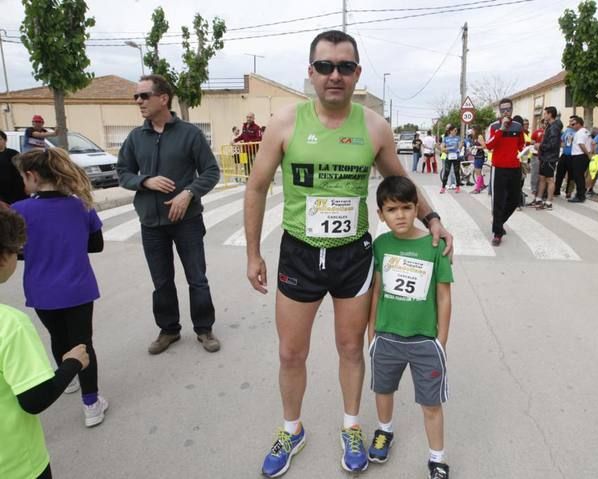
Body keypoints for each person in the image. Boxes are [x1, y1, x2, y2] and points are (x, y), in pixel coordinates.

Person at [243, 30, 452, 477]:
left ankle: (351, 425)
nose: (334, 75)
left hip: (352, 256)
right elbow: (256, 186)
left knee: (351, 347)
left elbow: (403, 182)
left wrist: (432, 219)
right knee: (290, 353)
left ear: (357, 73)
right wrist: (252, 253)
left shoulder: (375, 127)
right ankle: (291, 429)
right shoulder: (284, 123)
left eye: (344, 67)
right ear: (310, 72)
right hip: (299, 252)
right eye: (324, 66)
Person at [117, 74, 221, 354]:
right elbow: (122, 173)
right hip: (151, 223)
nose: (138, 101)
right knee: (161, 281)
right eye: (136, 97)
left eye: (143, 96)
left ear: (163, 98)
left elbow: (211, 171)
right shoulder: (136, 137)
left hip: (187, 221)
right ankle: (168, 329)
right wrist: (145, 181)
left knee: (196, 278)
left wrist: (189, 193)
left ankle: (204, 328)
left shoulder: (190, 134)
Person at [12, 148, 109, 427]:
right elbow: (96, 245)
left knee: (58, 336)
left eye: (22, 177)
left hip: (41, 291)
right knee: (83, 343)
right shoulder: (81, 205)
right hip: (78, 288)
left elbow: (15, 250)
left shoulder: (20, 210)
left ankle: (67, 379)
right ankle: (92, 405)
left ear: (31, 176)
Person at [366, 176, 453, 479]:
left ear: (417, 209)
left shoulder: (434, 245)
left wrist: (440, 340)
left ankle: (437, 458)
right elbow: (376, 290)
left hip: (425, 343)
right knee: (383, 389)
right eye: (391, 209)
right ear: (381, 214)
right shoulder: (381, 245)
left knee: (431, 404)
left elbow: (443, 296)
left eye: (406, 207)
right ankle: (384, 430)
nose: (400, 215)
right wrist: (372, 332)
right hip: (386, 337)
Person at [0, 207, 91, 479]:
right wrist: (72, 363)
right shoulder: (9, 325)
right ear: (3, 257)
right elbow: (34, 398)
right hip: (16, 464)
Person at [485, 98, 524, 246]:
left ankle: (499, 222)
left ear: (512, 109)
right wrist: (501, 129)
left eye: (508, 109)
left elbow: (521, 145)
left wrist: (525, 152)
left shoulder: (518, 126)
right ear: (499, 111)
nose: (506, 112)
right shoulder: (494, 126)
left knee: (514, 200)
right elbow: (489, 145)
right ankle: (497, 233)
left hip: (515, 166)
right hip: (499, 167)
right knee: (498, 201)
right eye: (503, 110)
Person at [533, 106, 562, 210]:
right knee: (541, 178)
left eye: (545, 113)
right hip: (545, 157)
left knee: (549, 179)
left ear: (550, 114)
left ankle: (549, 202)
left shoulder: (554, 127)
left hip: (550, 158)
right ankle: (538, 199)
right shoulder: (550, 126)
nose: (544, 115)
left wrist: (539, 146)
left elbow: (553, 144)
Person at [567, 116, 592, 203]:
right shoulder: (586, 131)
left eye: (573, 124)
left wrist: (588, 154)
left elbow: (581, 144)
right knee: (580, 176)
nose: (572, 126)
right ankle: (580, 194)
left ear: (579, 124)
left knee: (578, 177)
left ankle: (580, 196)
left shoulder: (580, 133)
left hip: (579, 156)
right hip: (582, 156)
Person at [0, 130, 27, 207]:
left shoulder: (13, 153)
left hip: (16, 189)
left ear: (5, 140)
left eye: (0, 139)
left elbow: (21, 168)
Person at [554, 119, 576, 198]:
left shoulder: (578, 132)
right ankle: (556, 190)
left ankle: (568, 192)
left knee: (571, 175)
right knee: (559, 173)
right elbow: (562, 140)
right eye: (570, 123)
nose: (571, 124)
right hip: (564, 154)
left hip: (573, 155)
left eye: (573, 123)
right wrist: (563, 145)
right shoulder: (567, 131)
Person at [440, 125, 462, 193]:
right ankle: (443, 187)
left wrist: (458, 148)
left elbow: (460, 146)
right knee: (446, 172)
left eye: (456, 131)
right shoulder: (446, 138)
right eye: (454, 130)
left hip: (456, 157)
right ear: (450, 131)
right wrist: (447, 149)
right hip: (448, 156)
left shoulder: (458, 138)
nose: (456, 132)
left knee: (456, 172)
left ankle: (457, 187)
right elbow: (442, 147)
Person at [529, 119, 546, 197]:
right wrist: (537, 143)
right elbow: (531, 141)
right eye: (544, 123)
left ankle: (542, 189)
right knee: (535, 173)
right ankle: (534, 189)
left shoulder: (549, 132)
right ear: (541, 123)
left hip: (545, 156)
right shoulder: (537, 132)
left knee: (543, 174)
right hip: (536, 155)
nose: (545, 125)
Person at [469, 129, 487, 193]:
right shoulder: (475, 137)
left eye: (473, 130)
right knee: (478, 172)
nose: (472, 132)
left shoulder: (479, 136)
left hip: (479, 157)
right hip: (477, 156)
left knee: (478, 173)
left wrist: (475, 147)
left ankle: (477, 189)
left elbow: (484, 146)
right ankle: (482, 185)